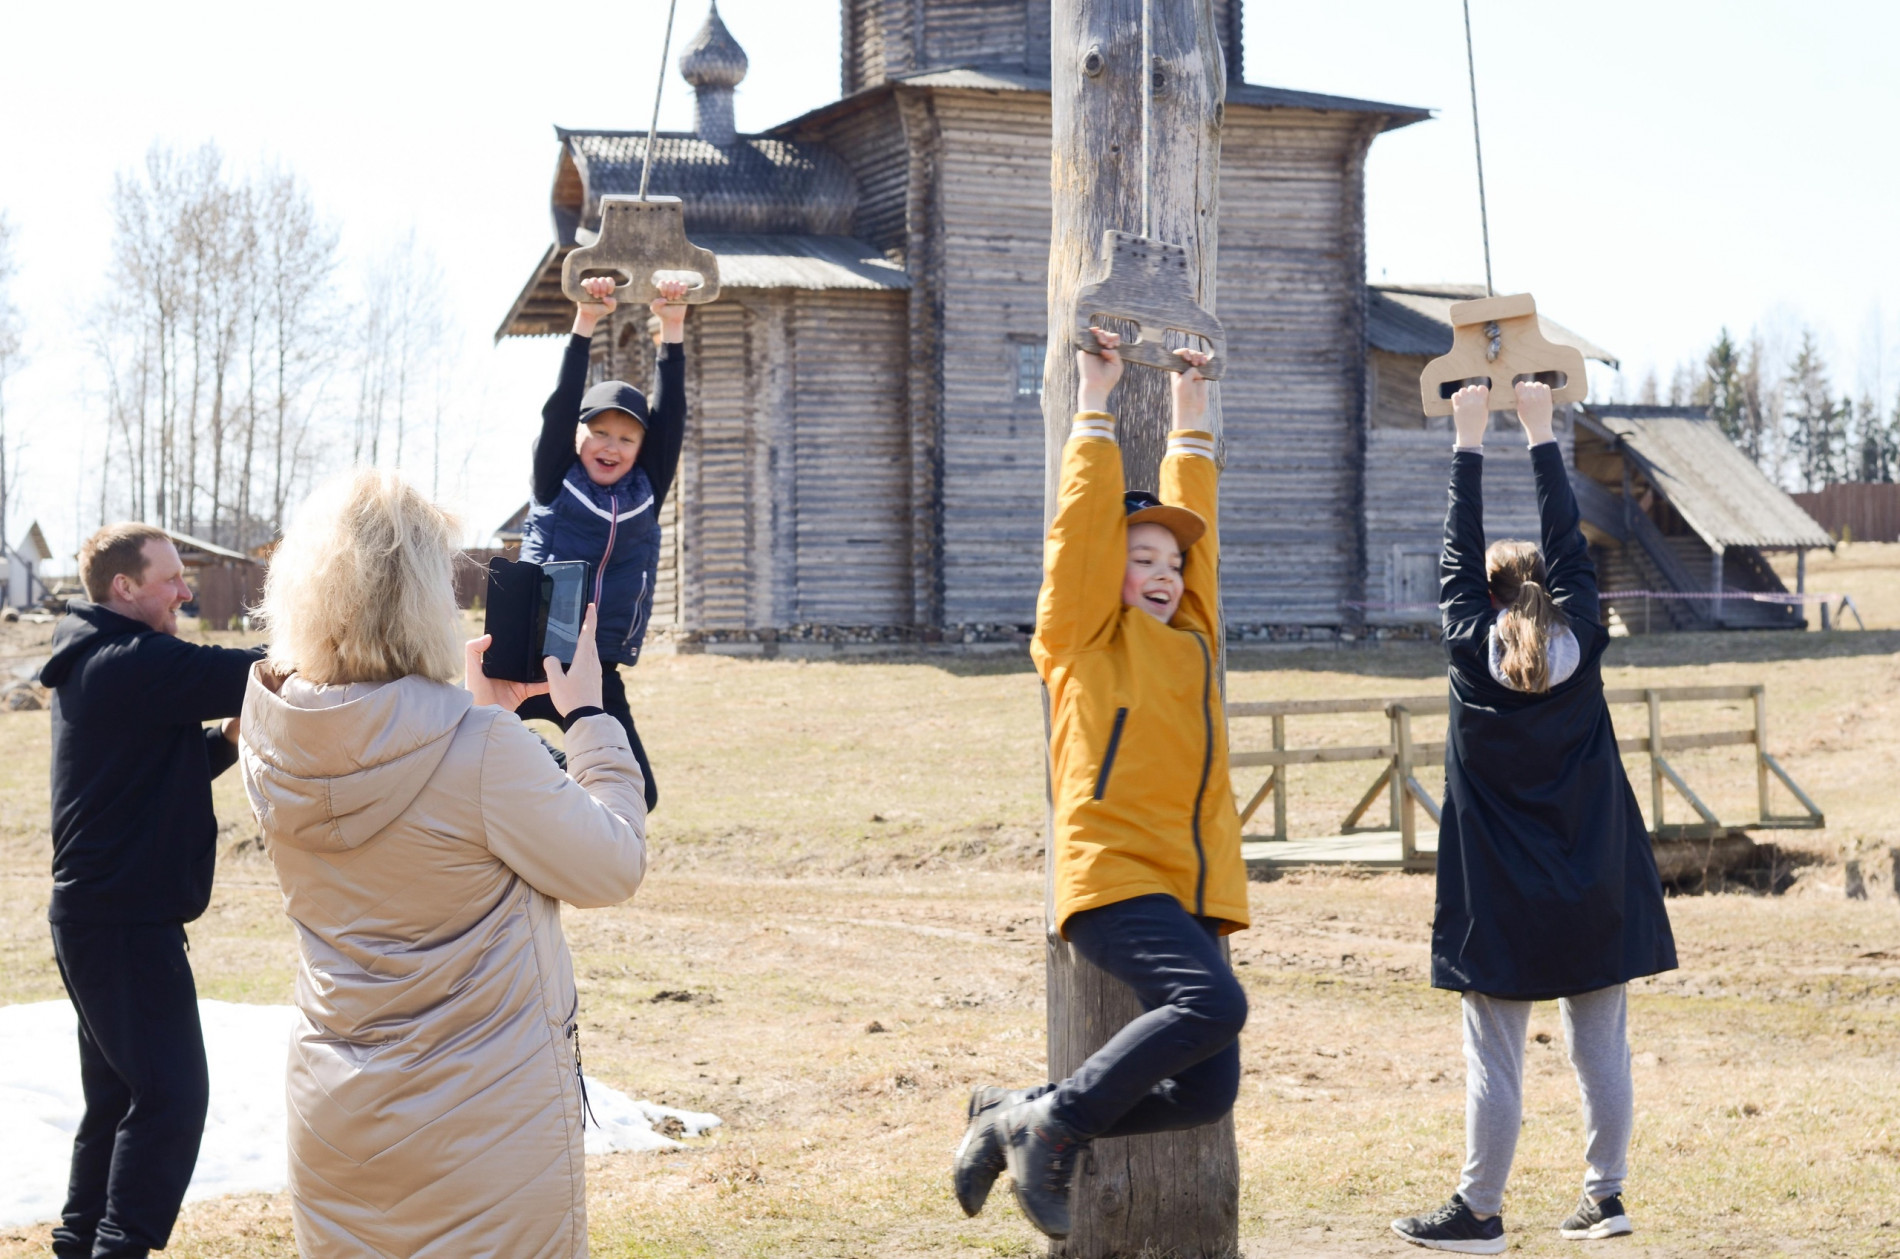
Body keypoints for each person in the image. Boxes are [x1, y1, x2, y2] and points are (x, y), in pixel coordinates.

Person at [239, 469, 648, 1257]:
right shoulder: (482, 751)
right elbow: (614, 862)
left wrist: (477, 713)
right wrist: (591, 717)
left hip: (337, 1115)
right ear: (424, 593)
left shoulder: (272, 736)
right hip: (483, 1125)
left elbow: (401, 796)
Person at [952, 330, 1251, 1241]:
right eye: (1142, 560)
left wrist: (1192, 415)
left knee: (1207, 1083)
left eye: (1171, 562)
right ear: (1105, 574)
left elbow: (1195, 533)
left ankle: (1016, 1111)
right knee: (1215, 1004)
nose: (1162, 576)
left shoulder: (1193, 636)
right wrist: (1097, 401)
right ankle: (1057, 1127)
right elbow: (1080, 529)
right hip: (1113, 870)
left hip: (1188, 881)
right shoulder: (1080, 640)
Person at [1390, 381, 1678, 1254]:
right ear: (1555, 592)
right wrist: (1538, 432)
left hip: (1500, 898)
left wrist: (1467, 438)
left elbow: (1455, 553)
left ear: (1482, 599)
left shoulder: (1468, 659)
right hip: (1594, 882)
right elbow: (1565, 541)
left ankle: (1480, 1210)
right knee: (1602, 1046)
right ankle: (1606, 1195)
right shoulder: (1584, 641)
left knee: (1497, 1057)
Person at [39, 523, 264, 1259]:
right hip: (123, 922)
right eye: (171, 579)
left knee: (118, 1101)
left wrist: (228, 743)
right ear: (123, 587)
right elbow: (253, 672)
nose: (186, 591)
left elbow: (148, 778)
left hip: (100, 919)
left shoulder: (99, 662)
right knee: (171, 1099)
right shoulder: (126, 662)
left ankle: (80, 1244)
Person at [515, 274, 691, 811]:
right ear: (577, 436)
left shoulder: (646, 491)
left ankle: (564, 789)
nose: (612, 447)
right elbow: (562, 403)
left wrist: (673, 327)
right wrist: (585, 322)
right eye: (600, 433)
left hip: (597, 667)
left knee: (643, 794)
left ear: (641, 448)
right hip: (528, 658)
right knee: (478, 750)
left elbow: (672, 419)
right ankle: (555, 779)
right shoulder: (555, 480)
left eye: (628, 437)